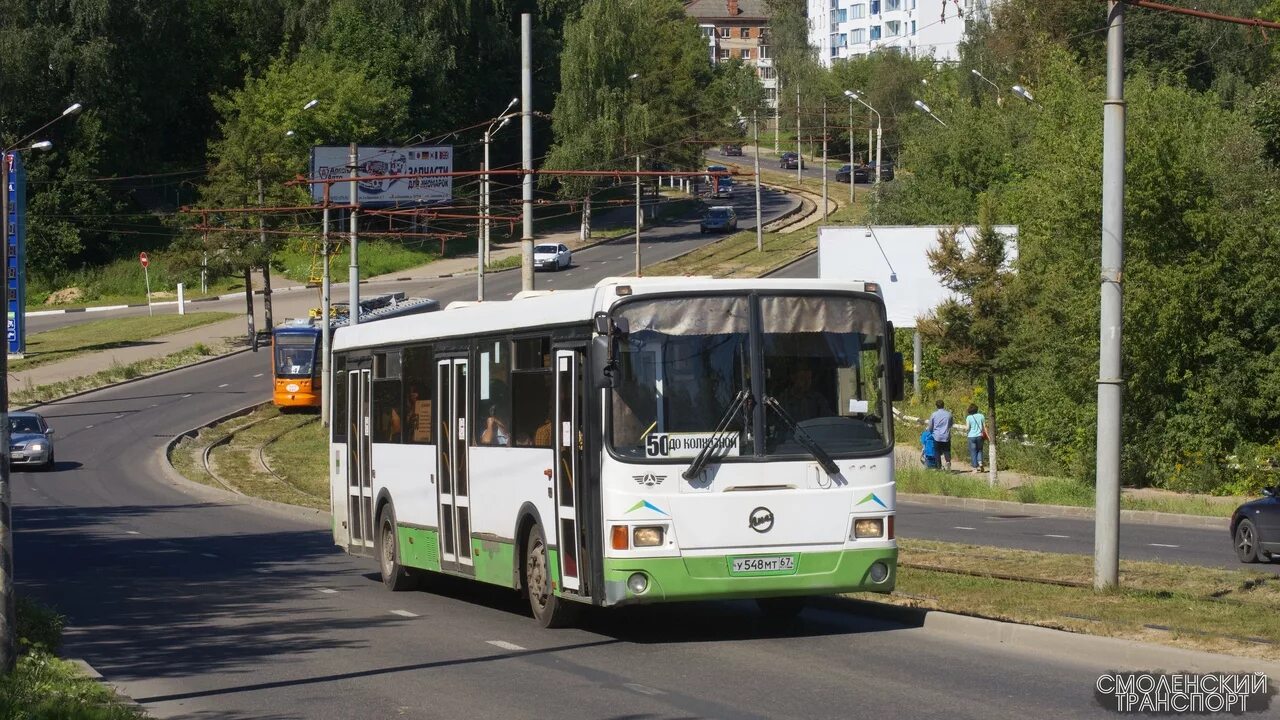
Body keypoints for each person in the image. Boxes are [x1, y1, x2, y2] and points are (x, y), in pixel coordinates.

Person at [927, 399, 954, 471]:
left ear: (936, 406)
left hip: (937, 436)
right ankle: (948, 462)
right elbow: (951, 424)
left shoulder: (934, 414)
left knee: (937, 451)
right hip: (946, 435)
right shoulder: (949, 414)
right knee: (947, 450)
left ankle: (939, 467)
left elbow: (930, 426)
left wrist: (931, 431)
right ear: (943, 405)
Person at [965, 403, 986, 472]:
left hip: (971, 436)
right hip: (980, 436)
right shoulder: (981, 416)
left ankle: (975, 468)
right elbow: (984, 427)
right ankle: (980, 463)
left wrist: (965, 429)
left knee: (973, 451)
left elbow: (968, 428)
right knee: (980, 450)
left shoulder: (969, 417)